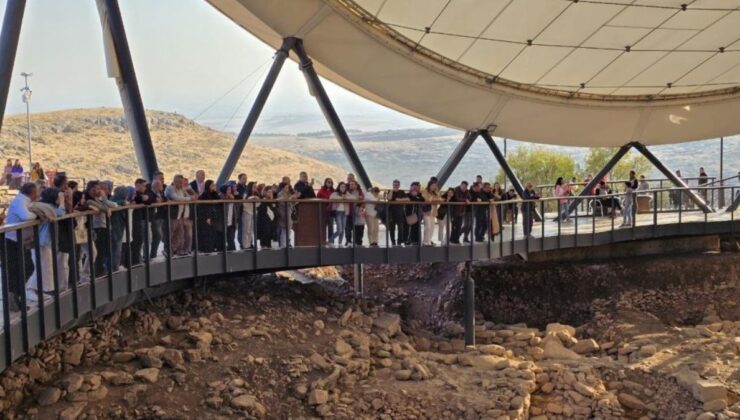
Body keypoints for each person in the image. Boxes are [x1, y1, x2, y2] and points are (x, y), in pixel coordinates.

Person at [24, 187, 65, 304]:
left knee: (45, 266)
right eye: (58, 196)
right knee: (42, 266)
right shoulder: (47, 207)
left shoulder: (47, 207)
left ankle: (38, 289)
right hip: (41, 241)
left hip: (44, 241)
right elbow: (60, 213)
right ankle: (30, 289)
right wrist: (62, 201)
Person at [2, 182, 38, 311]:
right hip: (13, 241)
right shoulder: (20, 201)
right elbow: (25, 216)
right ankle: (14, 298)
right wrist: (36, 215)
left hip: (19, 241)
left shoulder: (24, 201)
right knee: (18, 269)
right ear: (32, 192)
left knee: (25, 267)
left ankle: (16, 297)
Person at [165, 175, 193, 256]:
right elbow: (176, 198)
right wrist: (189, 199)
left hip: (180, 216)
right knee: (170, 234)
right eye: (180, 182)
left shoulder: (182, 189)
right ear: (175, 181)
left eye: (182, 182)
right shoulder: (170, 188)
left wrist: (189, 197)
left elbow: (190, 196)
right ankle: (167, 250)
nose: (181, 184)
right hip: (172, 215)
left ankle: (174, 250)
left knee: (180, 235)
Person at [196, 180, 220, 252]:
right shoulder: (205, 195)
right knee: (206, 233)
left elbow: (218, 200)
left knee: (212, 233)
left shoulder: (213, 194)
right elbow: (203, 207)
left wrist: (215, 191)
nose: (214, 186)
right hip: (205, 217)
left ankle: (211, 247)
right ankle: (206, 249)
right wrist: (207, 217)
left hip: (213, 216)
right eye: (212, 185)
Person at [276, 182, 299, 248]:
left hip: (289, 212)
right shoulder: (280, 194)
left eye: (288, 187)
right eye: (286, 187)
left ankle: (286, 243)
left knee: (288, 230)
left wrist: (295, 198)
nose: (287, 189)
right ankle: (283, 245)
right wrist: (291, 197)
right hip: (283, 213)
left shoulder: (288, 194)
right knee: (284, 229)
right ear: (282, 188)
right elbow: (283, 202)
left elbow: (292, 203)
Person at [148, 179, 166, 259]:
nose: (162, 187)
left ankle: (154, 254)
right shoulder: (150, 193)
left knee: (159, 235)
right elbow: (152, 200)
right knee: (158, 235)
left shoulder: (161, 193)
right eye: (160, 186)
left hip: (161, 216)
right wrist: (156, 200)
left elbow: (165, 199)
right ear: (156, 186)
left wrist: (162, 198)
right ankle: (152, 254)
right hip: (154, 217)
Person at [387, 179, 408, 246]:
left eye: (396, 185)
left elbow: (407, 199)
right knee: (392, 228)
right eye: (394, 185)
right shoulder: (390, 191)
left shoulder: (401, 192)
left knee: (401, 228)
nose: (395, 186)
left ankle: (399, 241)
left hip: (400, 212)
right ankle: (393, 241)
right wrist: (391, 191)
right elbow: (389, 198)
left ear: (399, 185)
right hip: (391, 212)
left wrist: (400, 200)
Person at [421, 179, 441, 245]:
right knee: (428, 227)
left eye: (435, 186)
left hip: (433, 212)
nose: (433, 187)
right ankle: (425, 241)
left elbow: (440, 200)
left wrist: (435, 197)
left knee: (432, 227)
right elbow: (427, 200)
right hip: (426, 212)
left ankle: (429, 240)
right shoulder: (425, 191)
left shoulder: (435, 193)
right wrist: (434, 199)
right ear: (429, 185)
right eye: (432, 185)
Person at [316, 178, 335, 244]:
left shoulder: (333, 191)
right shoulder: (321, 190)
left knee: (331, 226)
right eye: (328, 182)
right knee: (323, 226)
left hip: (331, 211)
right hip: (323, 210)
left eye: (331, 182)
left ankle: (331, 241)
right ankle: (322, 240)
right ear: (325, 182)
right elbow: (317, 198)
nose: (330, 183)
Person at [330, 182, 348, 246]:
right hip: (338, 212)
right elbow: (331, 197)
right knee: (339, 230)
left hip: (345, 213)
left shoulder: (347, 194)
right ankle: (331, 240)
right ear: (339, 187)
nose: (343, 188)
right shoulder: (335, 193)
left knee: (343, 229)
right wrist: (342, 198)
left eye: (344, 187)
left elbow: (354, 198)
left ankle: (340, 243)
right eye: (342, 187)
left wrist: (346, 197)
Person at [235, 173, 248, 249]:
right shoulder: (237, 187)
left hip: (247, 209)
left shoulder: (246, 187)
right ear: (239, 179)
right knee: (241, 227)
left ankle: (247, 242)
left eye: (246, 178)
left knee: (247, 227)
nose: (245, 180)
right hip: (240, 209)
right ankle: (241, 242)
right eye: (243, 179)